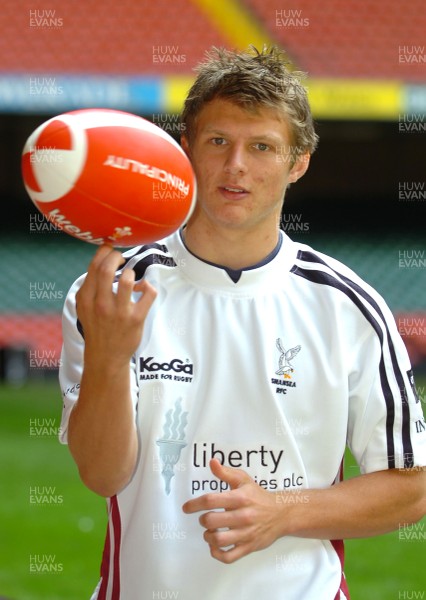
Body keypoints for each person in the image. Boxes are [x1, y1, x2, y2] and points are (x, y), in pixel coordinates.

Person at [58, 45, 426, 599]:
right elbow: (101, 475)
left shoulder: (349, 306)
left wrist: (281, 510)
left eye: (262, 147)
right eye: (218, 142)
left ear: (298, 162)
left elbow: (412, 487)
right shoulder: (113, 293)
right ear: (185, 151)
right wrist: (110, 356)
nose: (236, 167)